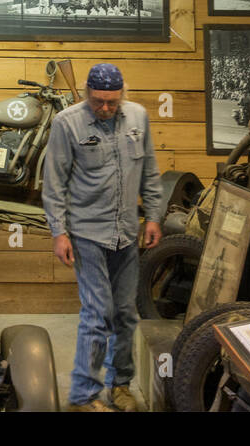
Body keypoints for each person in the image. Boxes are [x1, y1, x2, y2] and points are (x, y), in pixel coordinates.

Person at [41, 63, 164, 412]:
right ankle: (83, 396)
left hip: (126, 233)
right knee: (97, 314)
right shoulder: (67, 122)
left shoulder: (138, 118)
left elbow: (150, 172)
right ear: (86, 94)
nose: (106, 109)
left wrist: (153, 216)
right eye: (98, 102)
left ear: (122, 94)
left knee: (125, 313)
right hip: (86, 232)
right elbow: (54, 183)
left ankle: (120, 385)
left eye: (112, 101)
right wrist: (58, 232)